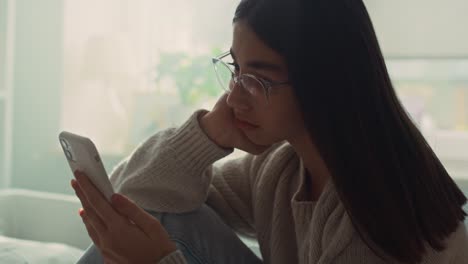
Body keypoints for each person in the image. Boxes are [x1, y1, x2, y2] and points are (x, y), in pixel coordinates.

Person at [72, 0, 468, 263]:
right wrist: (209, 132)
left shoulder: (373, 211)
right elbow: (135, 200)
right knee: (164, 217)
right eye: (236, 69)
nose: (234, 98)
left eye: (258, 79)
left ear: (322, 84)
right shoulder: (282, 168)